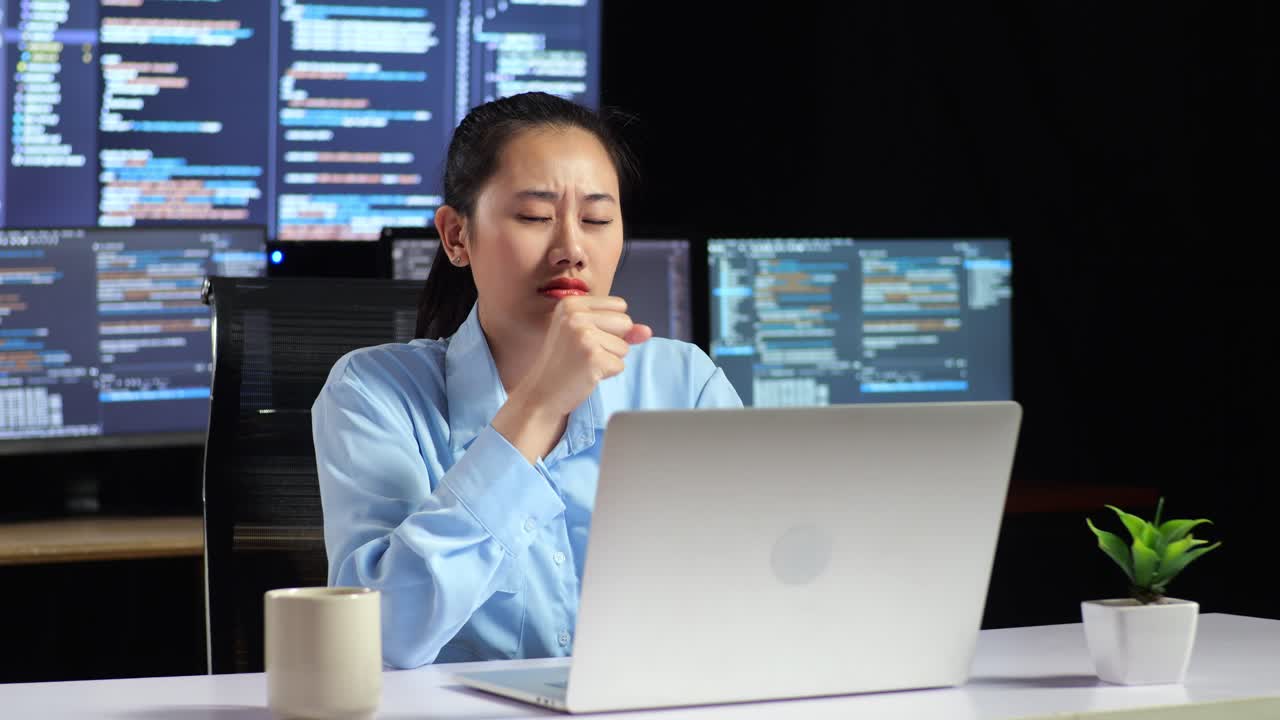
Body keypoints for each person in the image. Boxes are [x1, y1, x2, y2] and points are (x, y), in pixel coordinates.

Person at [311, 91, 742, 669]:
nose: (571, 249)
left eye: (596, 220)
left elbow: (756, 598)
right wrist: (538, 405)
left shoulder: (684, 383)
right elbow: (377, 642)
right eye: (536, 218)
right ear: (456, 237)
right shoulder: (371, 391)